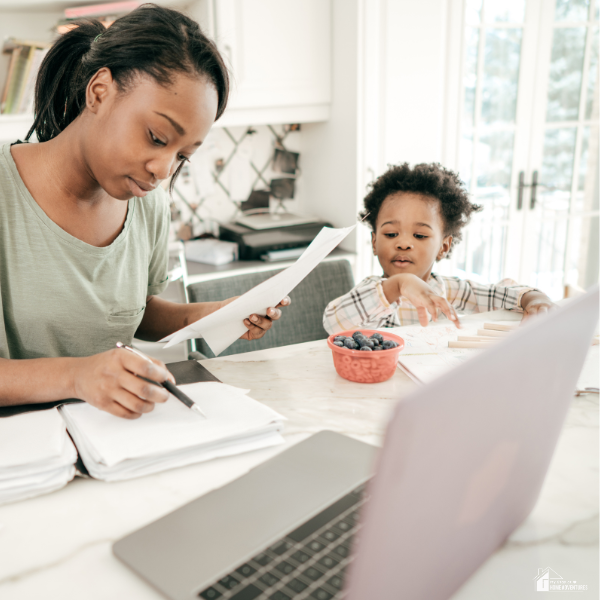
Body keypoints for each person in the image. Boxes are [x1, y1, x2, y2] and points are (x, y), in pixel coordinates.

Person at [0, 5, 289, 419]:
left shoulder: (147, 202)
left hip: (115, 438)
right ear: (99, 91)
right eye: (156, 137)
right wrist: (79, 376)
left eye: (182, 156)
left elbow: (132, 312)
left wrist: (220, 315)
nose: (163, 170)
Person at [323, 163, 554, 334]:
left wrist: (534, 299)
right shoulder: (373, 292)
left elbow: (499, 295)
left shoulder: (447, 290)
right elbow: (334, 323)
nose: (403, 243)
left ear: (443, 247)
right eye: (391, 234)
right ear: (374, 242)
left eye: (420, 235)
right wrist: (399, 285)